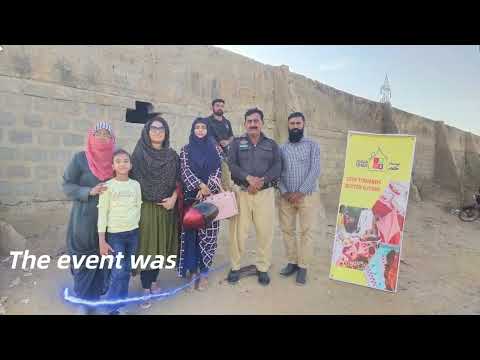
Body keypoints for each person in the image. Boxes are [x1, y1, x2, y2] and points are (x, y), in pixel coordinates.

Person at [62, 122, 115, 315]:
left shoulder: (116, 160)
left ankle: (97, 298)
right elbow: (67, 185)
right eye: (98, 133)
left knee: (105, 260)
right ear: (91, 136)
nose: (102, 137)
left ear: (112, 139)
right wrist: (88, 191)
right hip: (83, 220)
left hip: (109, 221)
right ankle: (83, 301)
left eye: (106, 134)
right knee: (84, 260)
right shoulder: (80, 159)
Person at [227, 108, 282, 286]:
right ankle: (235, 267)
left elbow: (277, 166)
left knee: (265, 231)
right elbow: (232, 164)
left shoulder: (271, 144)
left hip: (264, 194)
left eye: (256, 121)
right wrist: (248, 178)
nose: (252, 124)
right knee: (238, 233)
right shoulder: (237, 142)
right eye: (249, 121)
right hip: (242, 193)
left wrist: (262, 180)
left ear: (262, 123)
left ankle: (263, 268)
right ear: (245, 124)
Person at [131, 114, 180, 309]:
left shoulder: (172, 156)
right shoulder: (138, 155)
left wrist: (174, 199)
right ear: (147, 132)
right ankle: (145, 288)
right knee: (147, 247)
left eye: (161, 128)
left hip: (167, 207)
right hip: (146, 209)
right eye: (154, 128)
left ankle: (153, 281)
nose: (158, 131)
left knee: (161, 246)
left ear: (166, 132)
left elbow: (179, 180)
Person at [177, 118, 223, 291]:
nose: (201, 130)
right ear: (192, 130)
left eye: (204, 127)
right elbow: (185, 171)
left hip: (210, 200)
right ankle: (192, 272)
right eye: (197, 127)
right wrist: (200, 185)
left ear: (208, 130)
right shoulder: (185, 150)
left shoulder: (216, 150)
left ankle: (204, 273)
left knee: (209, 238)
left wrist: (208, 187)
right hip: (192, 198)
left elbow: (218, 171)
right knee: (191, 238)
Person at [278, 112, 321, 285]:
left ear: (303, 124)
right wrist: (285, 191)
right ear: (288, 126)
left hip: (307, 196)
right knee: (287, 231)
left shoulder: (313, 145)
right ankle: (292, 262)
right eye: (292, 123)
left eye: (298, 123)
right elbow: (278, 172)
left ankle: (303, 267)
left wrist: (300, 192)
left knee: (306, 232)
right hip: (286, 197)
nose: (295, 126)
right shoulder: (281, 148)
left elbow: (315, 170)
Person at [97, 149, 142, 315]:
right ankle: (111, 308)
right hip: (115, 235)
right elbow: (102, 214)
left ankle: (119, 304)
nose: (122, 164)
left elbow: (138, 206)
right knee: (118, 271)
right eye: (118, 161)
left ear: (130, 165)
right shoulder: (107, 187)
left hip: (133, 234)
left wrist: (134, 226)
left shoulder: (135, 185)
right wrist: (102, 240)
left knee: (127, 270)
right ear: (113, 166)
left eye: (125, 161)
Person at [205, 99, 234, 190]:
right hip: (212, 157)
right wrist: (217, 147)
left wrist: (227, 142)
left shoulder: (227, 122)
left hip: (226, 157)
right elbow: (208, 137)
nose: (220, 108)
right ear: (212, 107)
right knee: (213, 182)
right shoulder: (207, 121)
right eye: (217, 105)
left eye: (222, 106)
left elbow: (232, 136)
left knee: (226, 182)